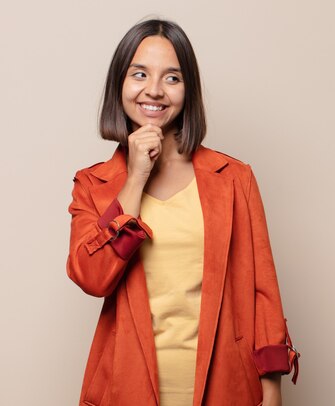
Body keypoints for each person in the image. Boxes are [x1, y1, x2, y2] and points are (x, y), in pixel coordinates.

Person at [66, 19, 299, 406]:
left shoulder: (233, 178)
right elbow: (92, 278)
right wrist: (136, 178)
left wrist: (271, 390)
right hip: (126, 388)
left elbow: (263, 292)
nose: (154, 90)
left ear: (188, 90)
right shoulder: (93, 184)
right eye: (139, 74)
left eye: (172, 78)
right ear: (119, 84)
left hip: (226, 386)